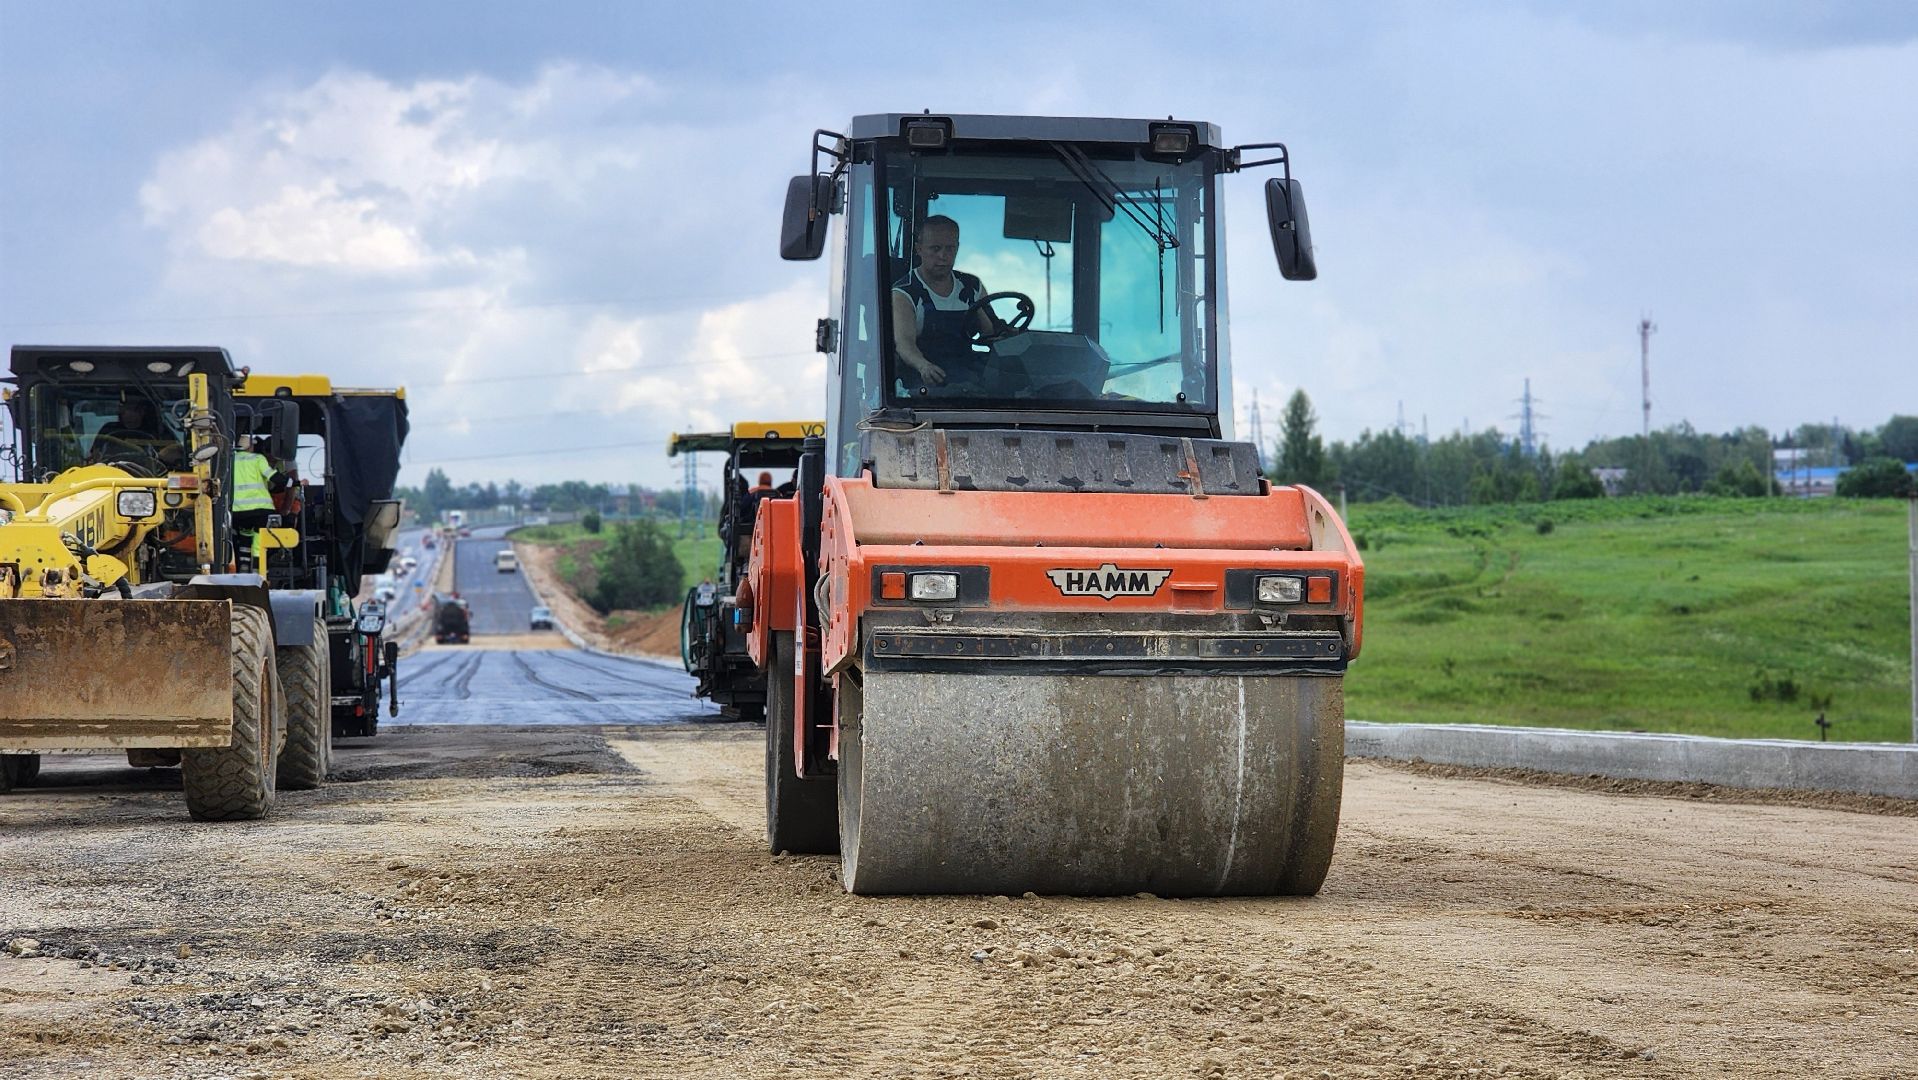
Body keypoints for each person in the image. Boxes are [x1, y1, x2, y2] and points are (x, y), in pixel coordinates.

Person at [890, 215, 997, 390]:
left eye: (949, 249)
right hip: (924, 384)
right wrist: (924, 366)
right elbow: (904, 344)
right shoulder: (905, 293)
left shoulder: (972, 287)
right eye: (935, 249)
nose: (943, 256)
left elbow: (990, 333)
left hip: (968, 374)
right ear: (919, 249)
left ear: (957, 248)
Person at [230, 436, 293, 540]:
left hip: (236, 511)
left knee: (245, 537)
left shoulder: (229, 461)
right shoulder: (257, 459)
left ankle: (245, 554)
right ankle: (258, 555)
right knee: (261, 537)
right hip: (260, 509)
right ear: (250, 447)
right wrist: (295, 483)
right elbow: (273, 477)